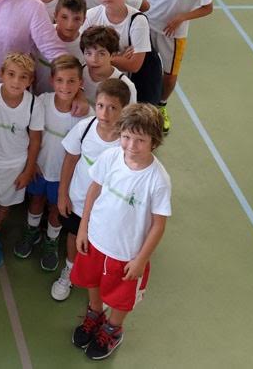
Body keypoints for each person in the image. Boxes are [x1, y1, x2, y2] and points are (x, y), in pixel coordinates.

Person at [70, 104, 170, 360]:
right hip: (95, 240)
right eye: (126, 137)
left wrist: (141, 260)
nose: (131, 146)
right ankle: (94, 313)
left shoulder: (157, 179)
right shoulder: (112, 156)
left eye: (140, 140)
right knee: (92, 280)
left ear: (154, 142)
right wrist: (83, 228)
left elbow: (158, 224)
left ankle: (112, 328)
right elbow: (94, 189)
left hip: (127, 253)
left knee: (121, 297)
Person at [51, 77, 132, 302]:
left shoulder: (127, 143)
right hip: (77, 200)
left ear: (124, 110)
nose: (105, 113)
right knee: (74, 235)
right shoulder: (84, 128)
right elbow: (70, 160)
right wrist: (62, 194)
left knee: (97, 245)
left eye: (113, 108)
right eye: (100, 106)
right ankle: (69, 270)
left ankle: (94, 283)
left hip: (105, 210)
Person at [122, 0, 212, 131]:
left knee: (169, 75)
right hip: (147, 24)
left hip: (173, 34)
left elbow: (208, 7)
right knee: (133, 61)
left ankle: (161, 107)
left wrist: (182, 17)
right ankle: (130, 101)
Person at [14, 54, 88, 272]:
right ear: (52, 80)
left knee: (56, 210)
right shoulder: (41, 103)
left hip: (63, 177)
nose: (65, 86)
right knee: (36, 201)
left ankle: (51, 241)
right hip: (38, 168)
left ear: (81, 84)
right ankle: (32, 231)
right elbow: (31, 134)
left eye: (72, 81)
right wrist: (32, 162)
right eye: (60, 80)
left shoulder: (85, 116)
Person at [0, 51, 44, 268]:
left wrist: (27, 170)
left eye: (23, 77)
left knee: (5, 205)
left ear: (31, 81)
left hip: (15, 167)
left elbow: (35, 140)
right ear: (1, 74)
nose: (16, 81)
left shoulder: (34, 104)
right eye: (11, 74)